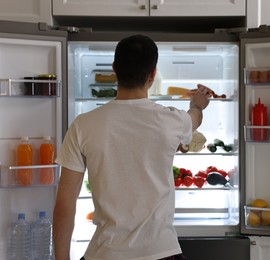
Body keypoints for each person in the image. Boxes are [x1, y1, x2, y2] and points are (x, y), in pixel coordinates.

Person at [53, 34, 212, 260]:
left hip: (105, 253)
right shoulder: (171, 121)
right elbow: (194, 118)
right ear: (153, 74)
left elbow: (65, 202)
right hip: (162, 251)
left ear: (114, 69)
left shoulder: (83, 125)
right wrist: (197, 104)